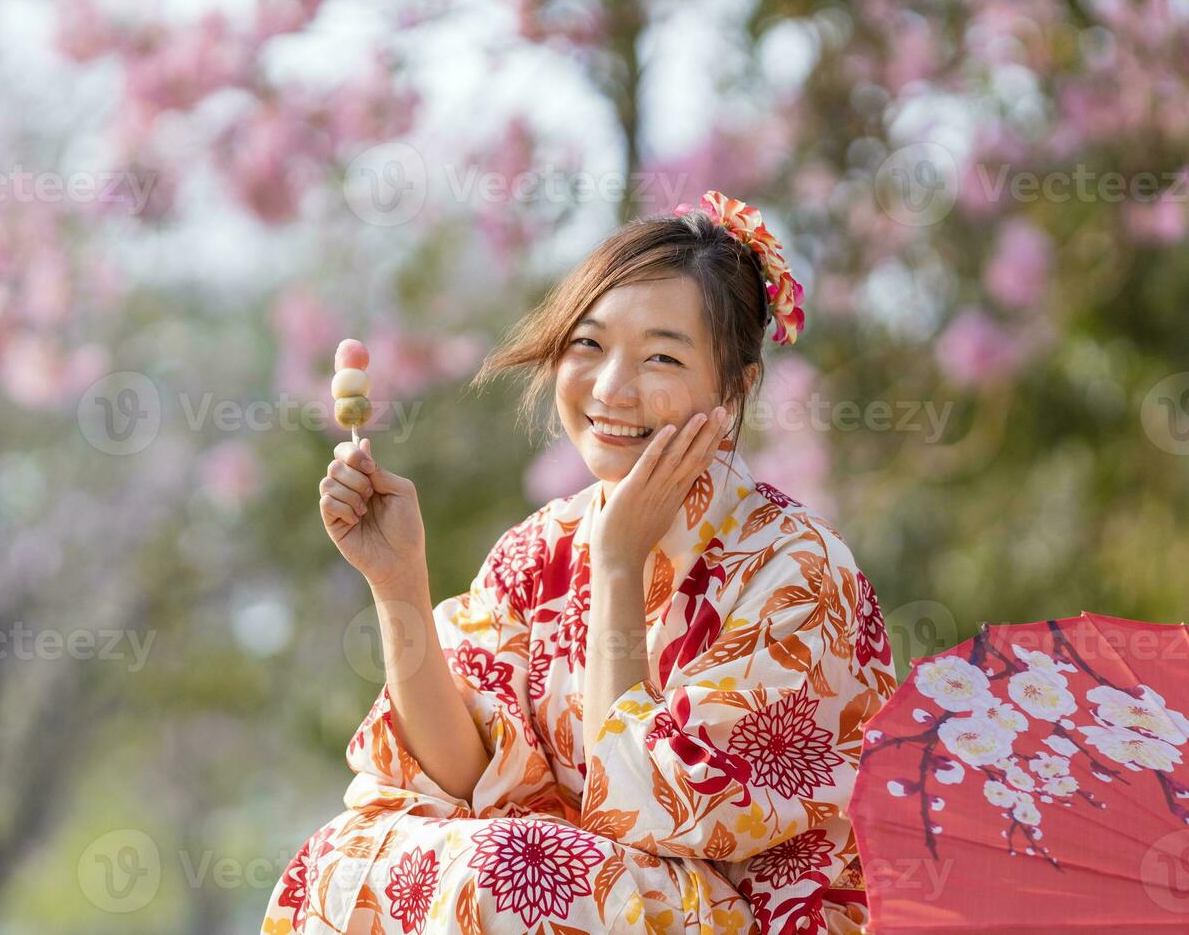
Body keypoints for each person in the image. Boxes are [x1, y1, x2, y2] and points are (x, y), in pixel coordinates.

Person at [264, 192, 899, 934]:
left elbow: (649, 809)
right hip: (587, 897)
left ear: (735, 388)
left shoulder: (798, 572)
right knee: (342, 860)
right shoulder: (541, 548)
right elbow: (465, 778)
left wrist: (621, 568)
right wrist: (397, 578)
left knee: (504, 873)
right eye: (589, 345)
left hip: (751, 918)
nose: (609, 389)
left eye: (661, 356)